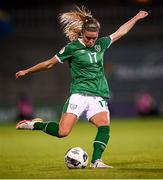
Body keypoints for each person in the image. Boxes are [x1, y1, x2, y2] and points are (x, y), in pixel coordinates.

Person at [15, 6, 148, 168]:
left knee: (104, 126)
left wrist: (136, 17)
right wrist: (27, 71)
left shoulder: (101, 44)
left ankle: (96, 161)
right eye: (88, 38)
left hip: (98, 94)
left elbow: (121, 32)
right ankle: (35, 124)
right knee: (62, 132)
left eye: (94, 37)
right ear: (82, 33)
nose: (91, 41)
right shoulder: (72, 48)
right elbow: (49, 64)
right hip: (79, 94)